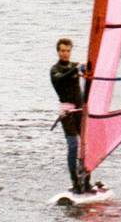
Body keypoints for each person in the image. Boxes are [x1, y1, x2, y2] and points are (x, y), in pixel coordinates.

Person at [50, 38, 96, 194]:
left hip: (80, 111)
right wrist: (76, 69)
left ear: (70, 51)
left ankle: (87, 182)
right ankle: (75, 183)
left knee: (85, 146)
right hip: (67, 112)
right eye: (62, 50)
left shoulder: (75, 66)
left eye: (68, 51)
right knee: (73, 146)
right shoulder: (55, 70)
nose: (65, 53)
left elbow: (88, 73)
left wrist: (87, 68)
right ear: (58, 51)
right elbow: (61, 79)